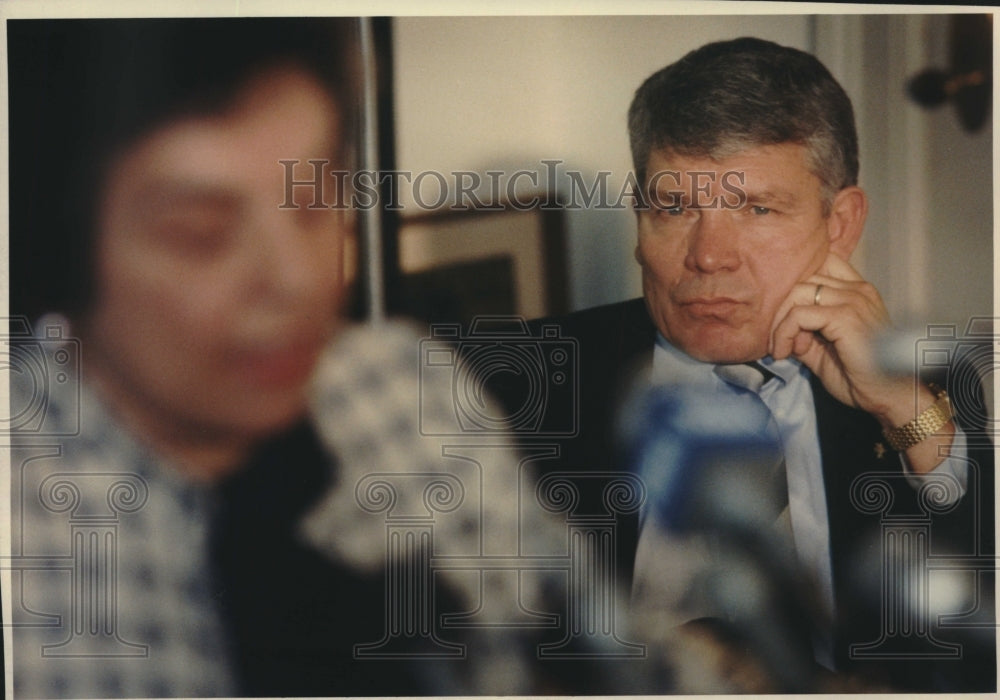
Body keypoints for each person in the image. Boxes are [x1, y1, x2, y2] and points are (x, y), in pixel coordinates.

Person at [505, 37, 994, 692]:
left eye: (757, 209)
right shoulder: (516, 381)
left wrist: (905, 410)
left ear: (840, 224)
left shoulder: (923, 385)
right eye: (675, 208)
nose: (709, 257)